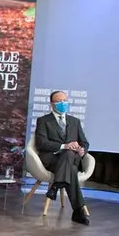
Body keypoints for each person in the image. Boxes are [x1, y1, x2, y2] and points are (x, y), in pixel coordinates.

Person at [35, 90, 90, 225]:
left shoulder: (75, 121)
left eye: (65, 100)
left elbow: (84, 142)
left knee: (70, 154)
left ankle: (56, 186)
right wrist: (64, 146)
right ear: (52, 104)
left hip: (72, 158)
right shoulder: (43, 121)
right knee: (70, 167)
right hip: (52, 159)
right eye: (59, 101)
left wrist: (82, 149)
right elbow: (41, 143)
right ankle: (78, 211)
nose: (63, 103)